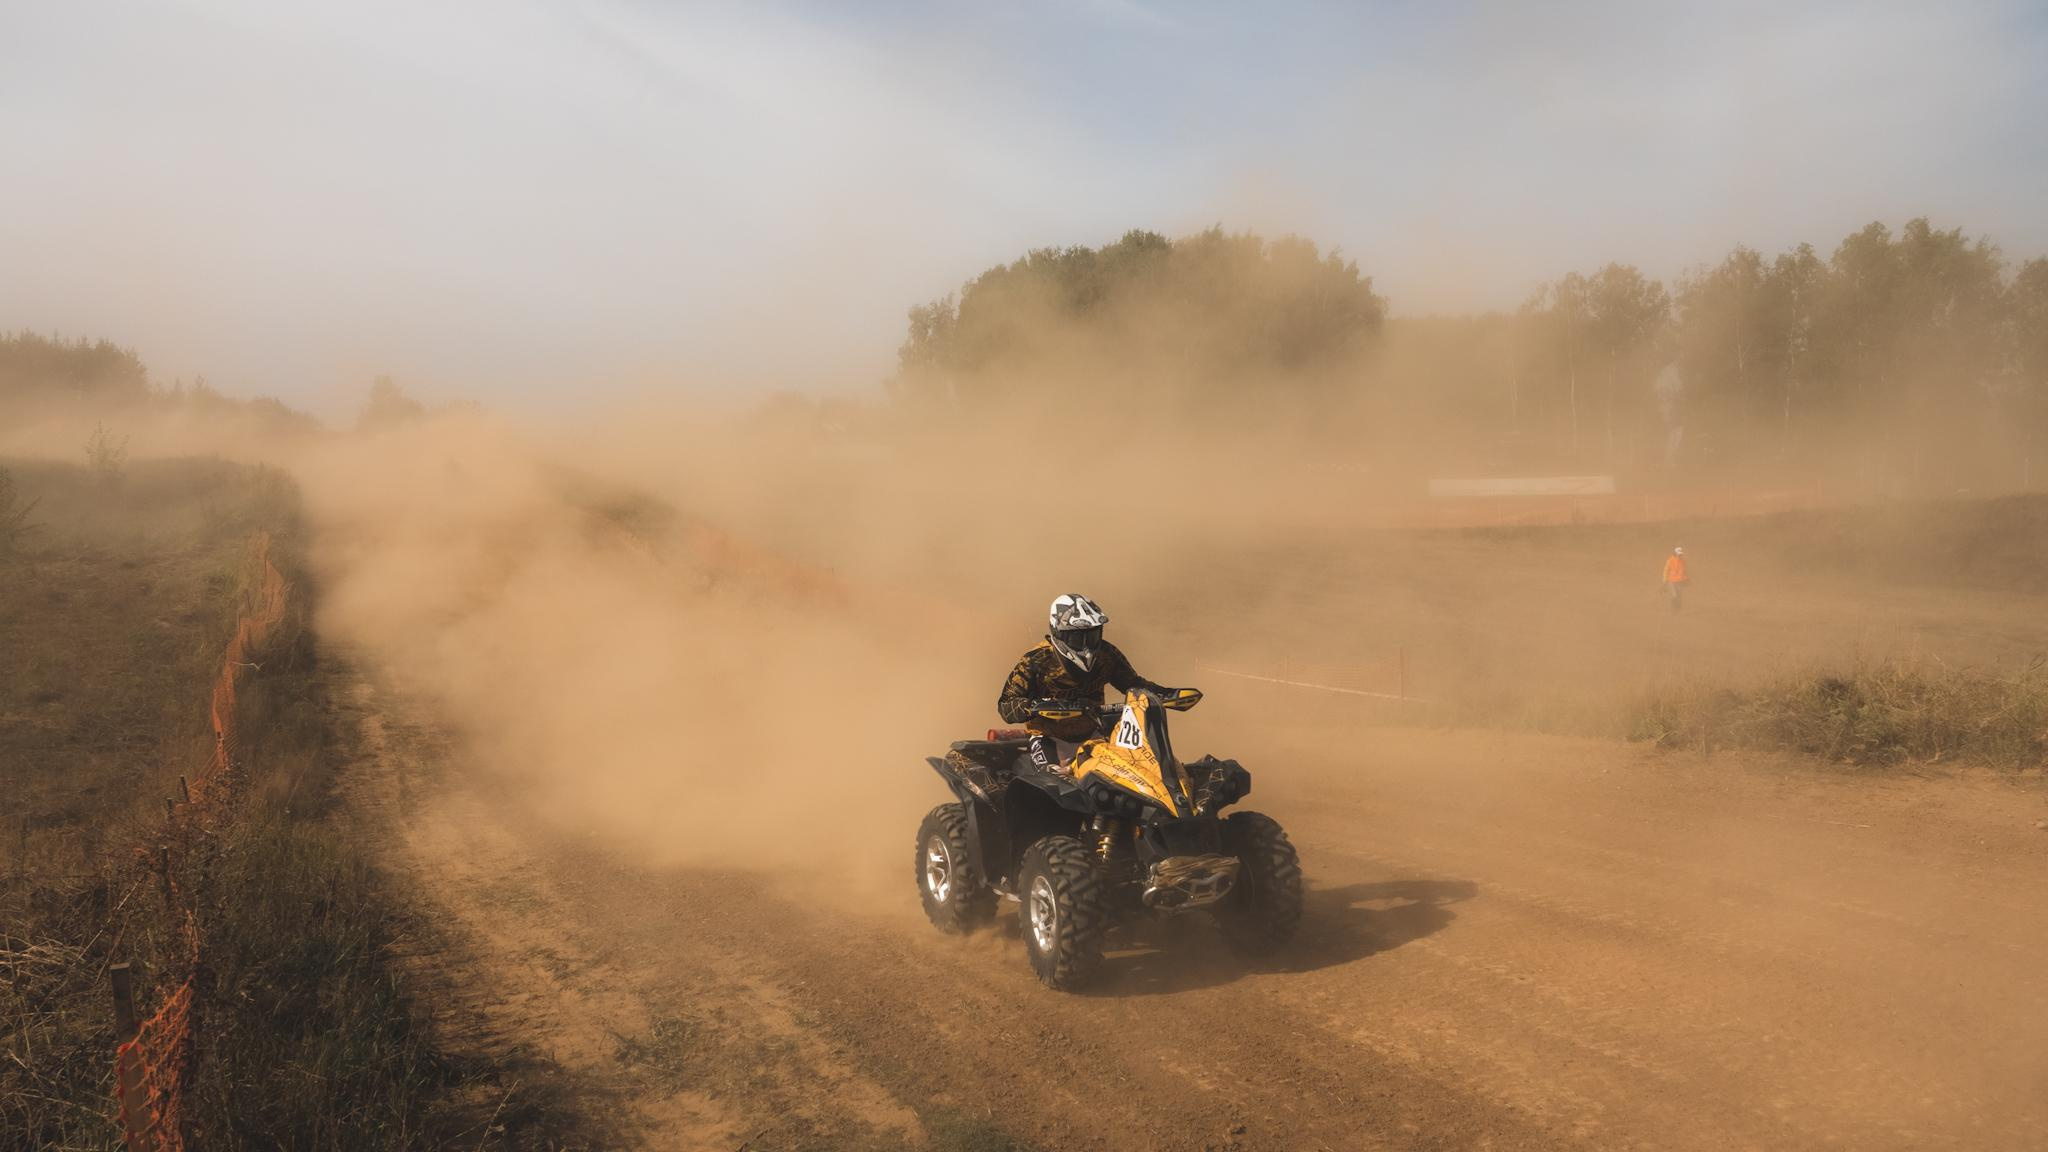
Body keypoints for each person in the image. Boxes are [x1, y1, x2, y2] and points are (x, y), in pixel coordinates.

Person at [997, 594, 1174, 772]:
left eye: (1092, 636)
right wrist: (1036, 706)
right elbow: (1006, 703)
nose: (1086, 646)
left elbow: (1134, 685)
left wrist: (1164, 694)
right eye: (1077, 638)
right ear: (1059, 633)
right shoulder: (1036, 660)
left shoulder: (1107, 654)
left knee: (1131, 773)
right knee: (1054, 781)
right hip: (1049, 739)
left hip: (1095, 735)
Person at [1662, 546, 1689, 613]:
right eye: (1679, 554)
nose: (1680, 555)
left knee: (1679, 596)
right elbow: (1666, 570)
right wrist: (1664, 580)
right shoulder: (1670, 560)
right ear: (1675, 553)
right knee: (1675, 595)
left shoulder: (1682, 561)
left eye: (1681, 554)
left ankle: (1678, 609)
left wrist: (1687, 579)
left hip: (1680, 581)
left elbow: (1684, 570)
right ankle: (1673, 609)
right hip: (1672, 581)